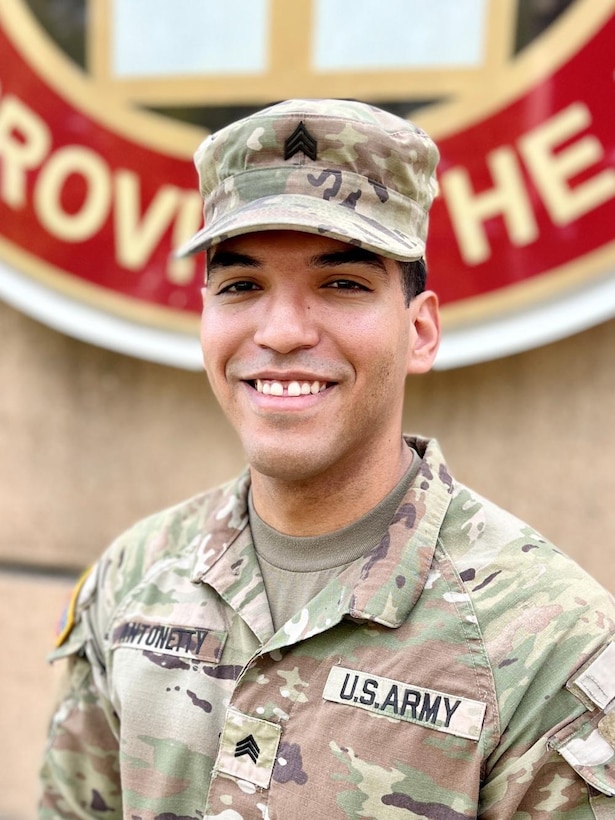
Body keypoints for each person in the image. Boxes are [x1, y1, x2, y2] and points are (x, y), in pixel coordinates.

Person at [40, 99, 615, 819]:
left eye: (341, 284)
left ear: (421, 332)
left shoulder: (544, 642)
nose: (280, 332)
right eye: (241, 286)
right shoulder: (136, 575)